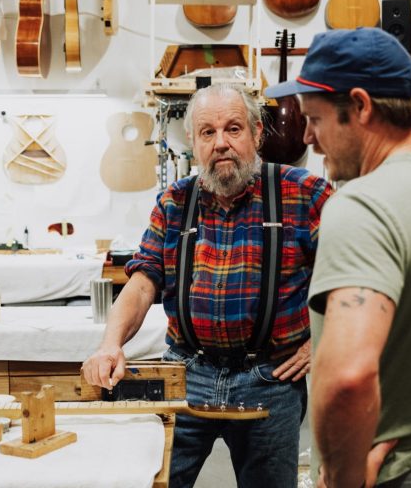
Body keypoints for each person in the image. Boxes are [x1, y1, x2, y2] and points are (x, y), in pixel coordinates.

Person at [82, 84, 332, 488]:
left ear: (256, 134)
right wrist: (111, 343)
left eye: (233, 129)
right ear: (194, 143)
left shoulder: (304, 193)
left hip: (269, 379)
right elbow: (143, 282)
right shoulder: (174, 202)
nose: (221, 143)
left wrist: (318, 342)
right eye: (207, 132)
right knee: (151, 478)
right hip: (187, 371)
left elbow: (352, 281)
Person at [265, 27, 411, 488]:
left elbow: (348, 376)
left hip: (399, 472)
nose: (308, 137)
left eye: (315, 118)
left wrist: (343, 476)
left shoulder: (361, 205)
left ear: (361, 106)